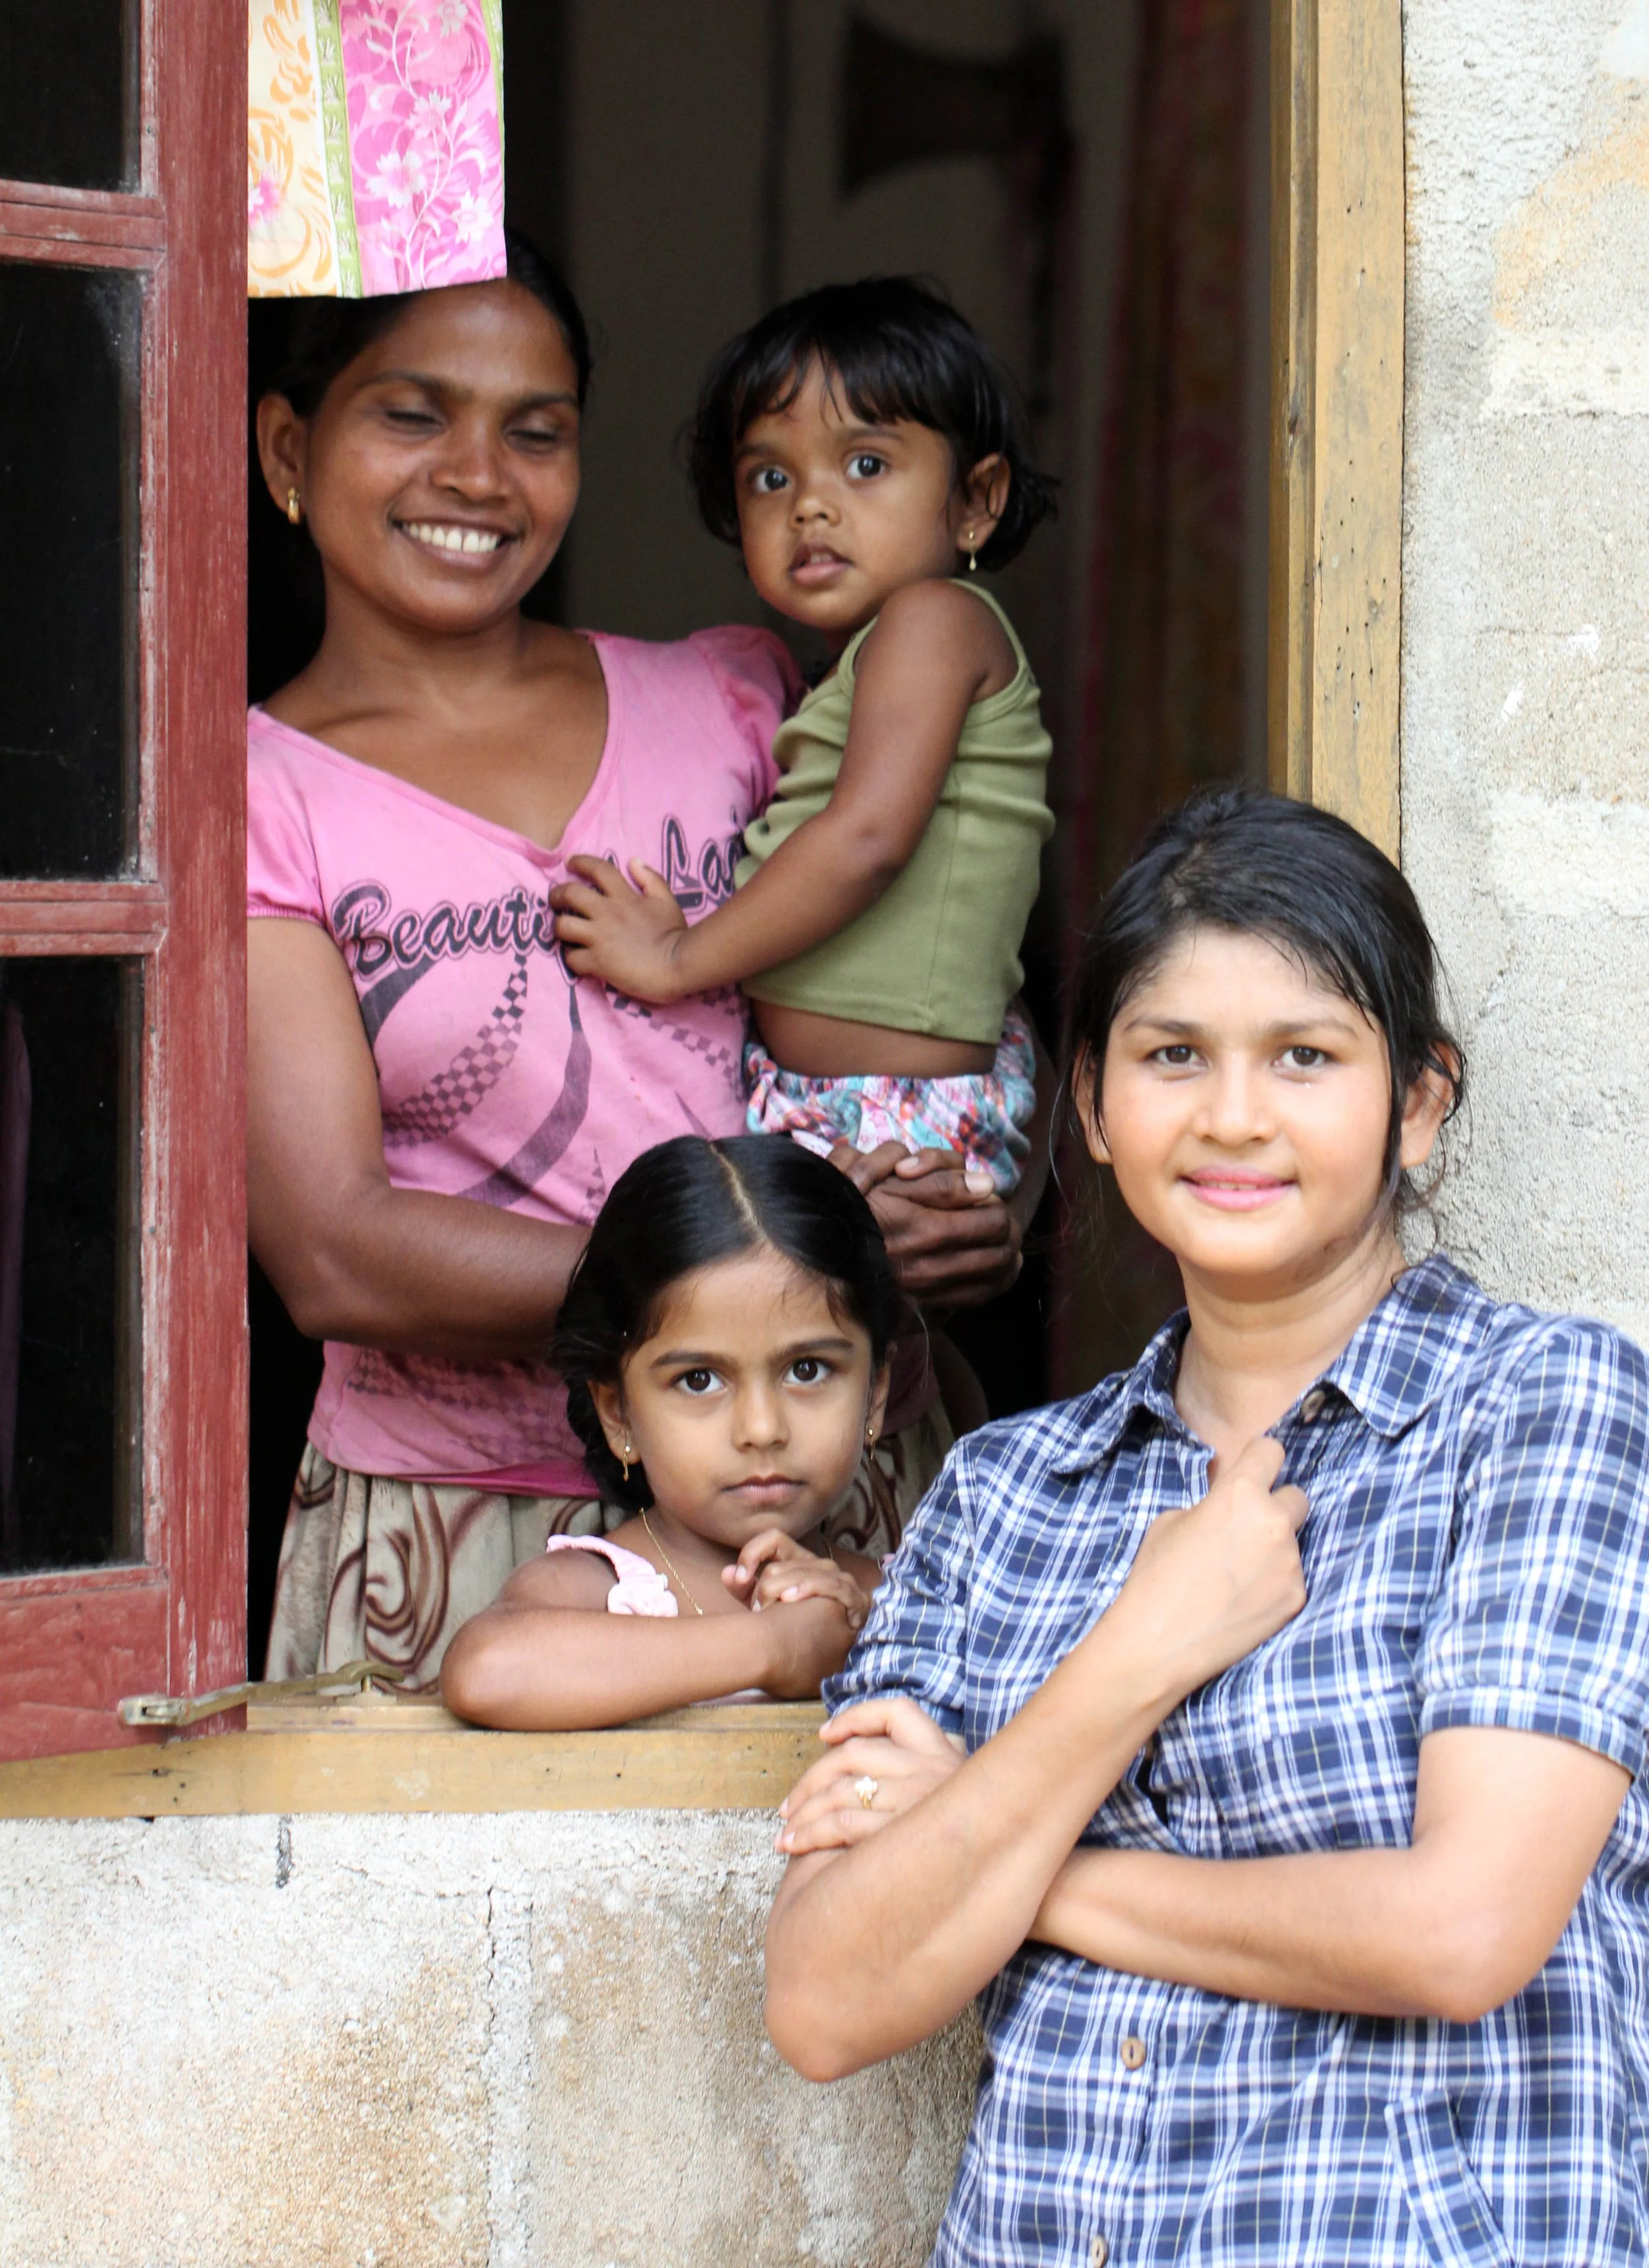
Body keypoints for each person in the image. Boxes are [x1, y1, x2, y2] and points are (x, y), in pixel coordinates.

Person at [764, 787, 1649, 2267]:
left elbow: (1457, 1934)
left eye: (1303, 1057)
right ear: (1095, 1107)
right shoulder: (1001, 1493)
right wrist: (1131, 1655)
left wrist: (1002, 1863)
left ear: (1415, 1103)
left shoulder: (1542, 1410)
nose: (1232, 1115)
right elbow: (823, 2000)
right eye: (1172, 1057)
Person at [248, 237, 1036, 1690]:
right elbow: (334, 1251)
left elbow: (930, 970)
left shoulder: (727, 692)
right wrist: (766, 1284)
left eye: (534, 430)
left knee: (873, 1896)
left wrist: (986, 1194)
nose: (479, 474)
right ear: (288, 447)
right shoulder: (252, 793)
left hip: (827, 1501)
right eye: (413, 413)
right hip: (474, 1520)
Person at [551, 278, 1055, 1198]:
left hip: (892, 1109)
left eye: (866, 464)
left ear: (977, 500)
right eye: (771, 477)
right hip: (843, 1099)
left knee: (831, 1327)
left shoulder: (933, 623)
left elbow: (865, 840)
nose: (811, 506)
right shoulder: (858, 664)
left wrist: (678, 960)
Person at [440, 1135, 895, 1727]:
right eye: (700, 1380)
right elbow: (488, 1671)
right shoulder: (594, 1590)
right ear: (618, 1415)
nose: (761, 1429)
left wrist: (861, 1637)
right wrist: (771, 1648)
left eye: (807, 1370)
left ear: (875, 1396)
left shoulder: (895, 1599)